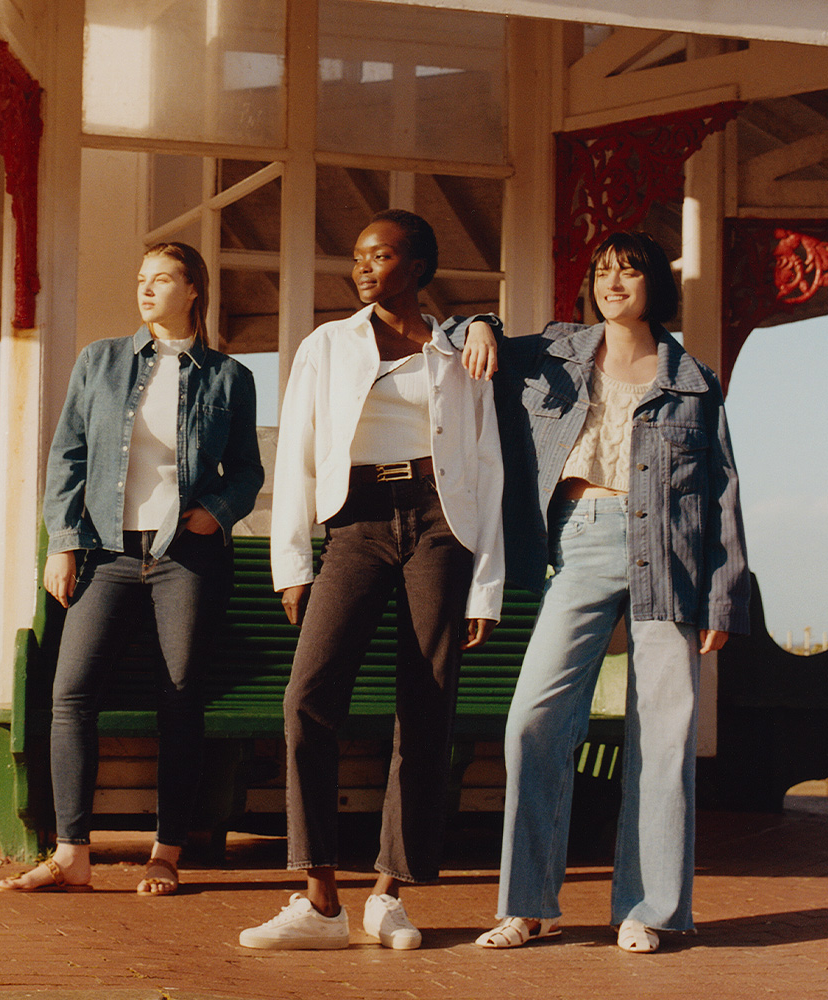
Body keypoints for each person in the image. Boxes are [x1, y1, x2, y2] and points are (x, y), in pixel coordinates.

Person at [462, 231, 749, 953]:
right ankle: (529, 904)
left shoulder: (692, 378)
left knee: (664, 734)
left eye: (629, 270)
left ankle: (648, 910)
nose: (613, 281)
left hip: (671, 557)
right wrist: (477, 325)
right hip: (581, 543)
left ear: (657, 284)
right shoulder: (557, 351)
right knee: (533, 719)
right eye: (603, 270)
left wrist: (722, 595)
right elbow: (459, 339)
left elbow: (724, 494)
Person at [239, 209, 504, 950]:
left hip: (440, 520)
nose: (362, 268)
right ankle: (319, 895)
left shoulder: (458, 351)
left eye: (380, 255)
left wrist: (487, 582)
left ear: (417, 266)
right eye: (357, 257)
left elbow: (488, 465)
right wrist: (292, 562)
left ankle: (391, 892)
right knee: (309, 697)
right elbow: (296, 452)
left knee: (426, 706)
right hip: (354, 520)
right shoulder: (327, 345)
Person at [0, 242, 264, 895]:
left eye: (162, 279)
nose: (146, 290)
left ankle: (166, 854)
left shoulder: (229, 377)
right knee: (70, 694)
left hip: (186, 557)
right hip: (109, 553)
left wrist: (217, 510)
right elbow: (68, 458)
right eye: (141, 278)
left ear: (193, 289)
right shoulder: (101, 362)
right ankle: (71, 853)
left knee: (180, 702)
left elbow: (249, 470)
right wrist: (63, 543)